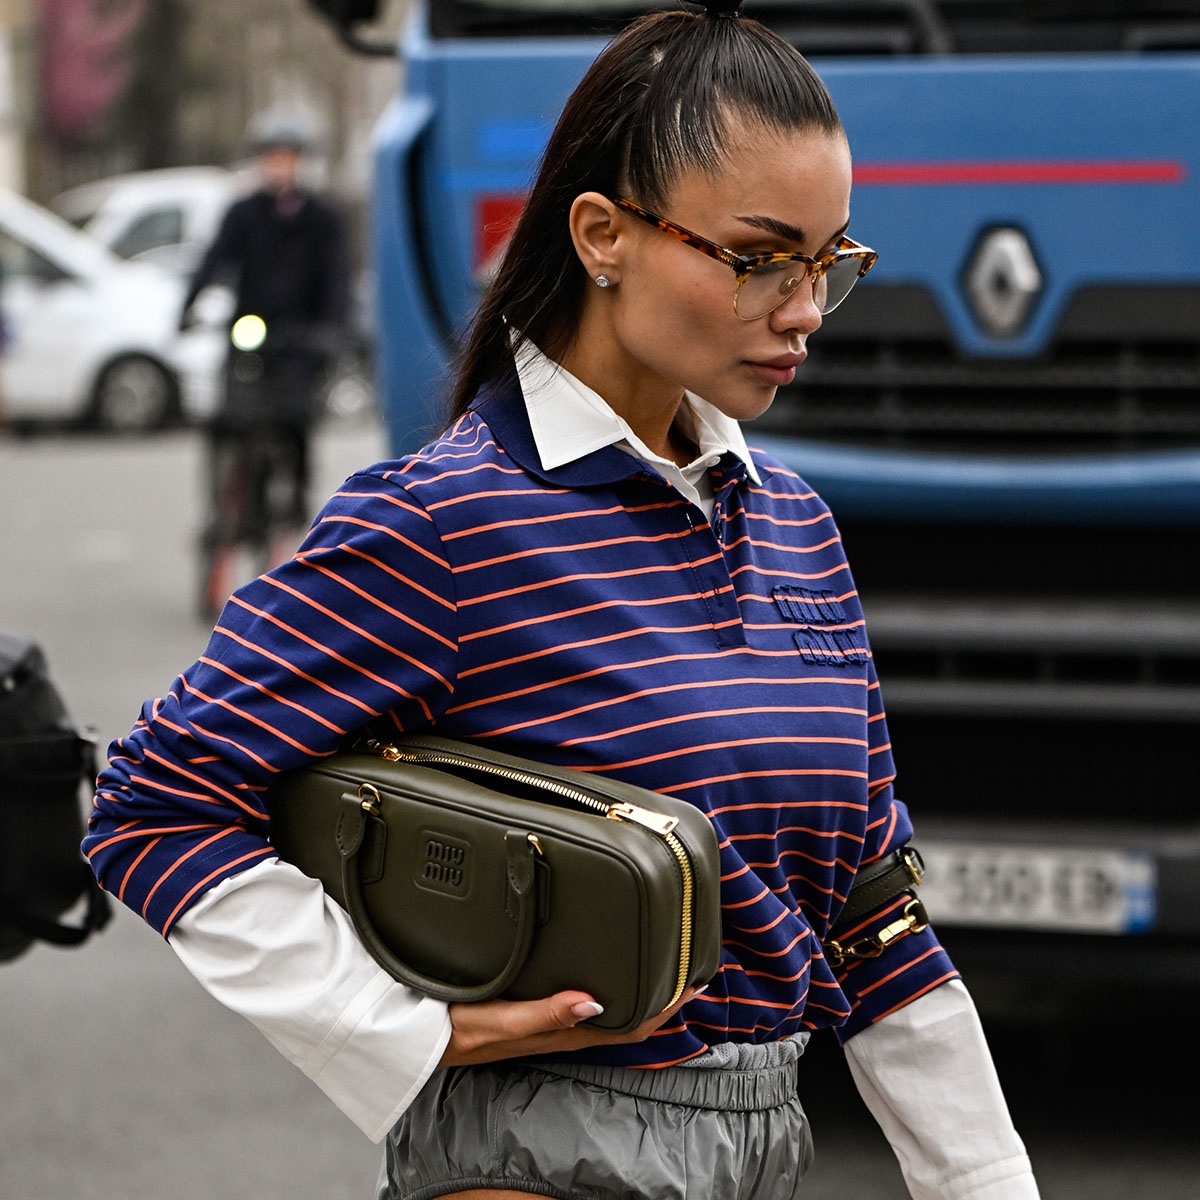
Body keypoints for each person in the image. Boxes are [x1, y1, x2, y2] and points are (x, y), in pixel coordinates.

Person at [85, 6, 1041, 1198]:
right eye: (760, 258)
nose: (804, 307)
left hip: (761, 1146)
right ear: (602, 235)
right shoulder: (444, 524)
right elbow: (154, 806)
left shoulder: (797, 527)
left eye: (829, 261)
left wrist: (987, 1180)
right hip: (530, 1161)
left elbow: (869, 913)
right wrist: (393, 1030)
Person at [179, 110, 351, 617]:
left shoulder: (321, 220)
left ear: (298, 163)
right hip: (249, 342)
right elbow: (213, 261)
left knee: (295, 426)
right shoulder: (243, 214)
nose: (277, 167)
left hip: (300, 347)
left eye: (285, 158)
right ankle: (223, 523)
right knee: (228, 423)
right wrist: (186, 308)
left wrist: (332, 331)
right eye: (269, 158)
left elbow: (338, 281)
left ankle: (293, 505)